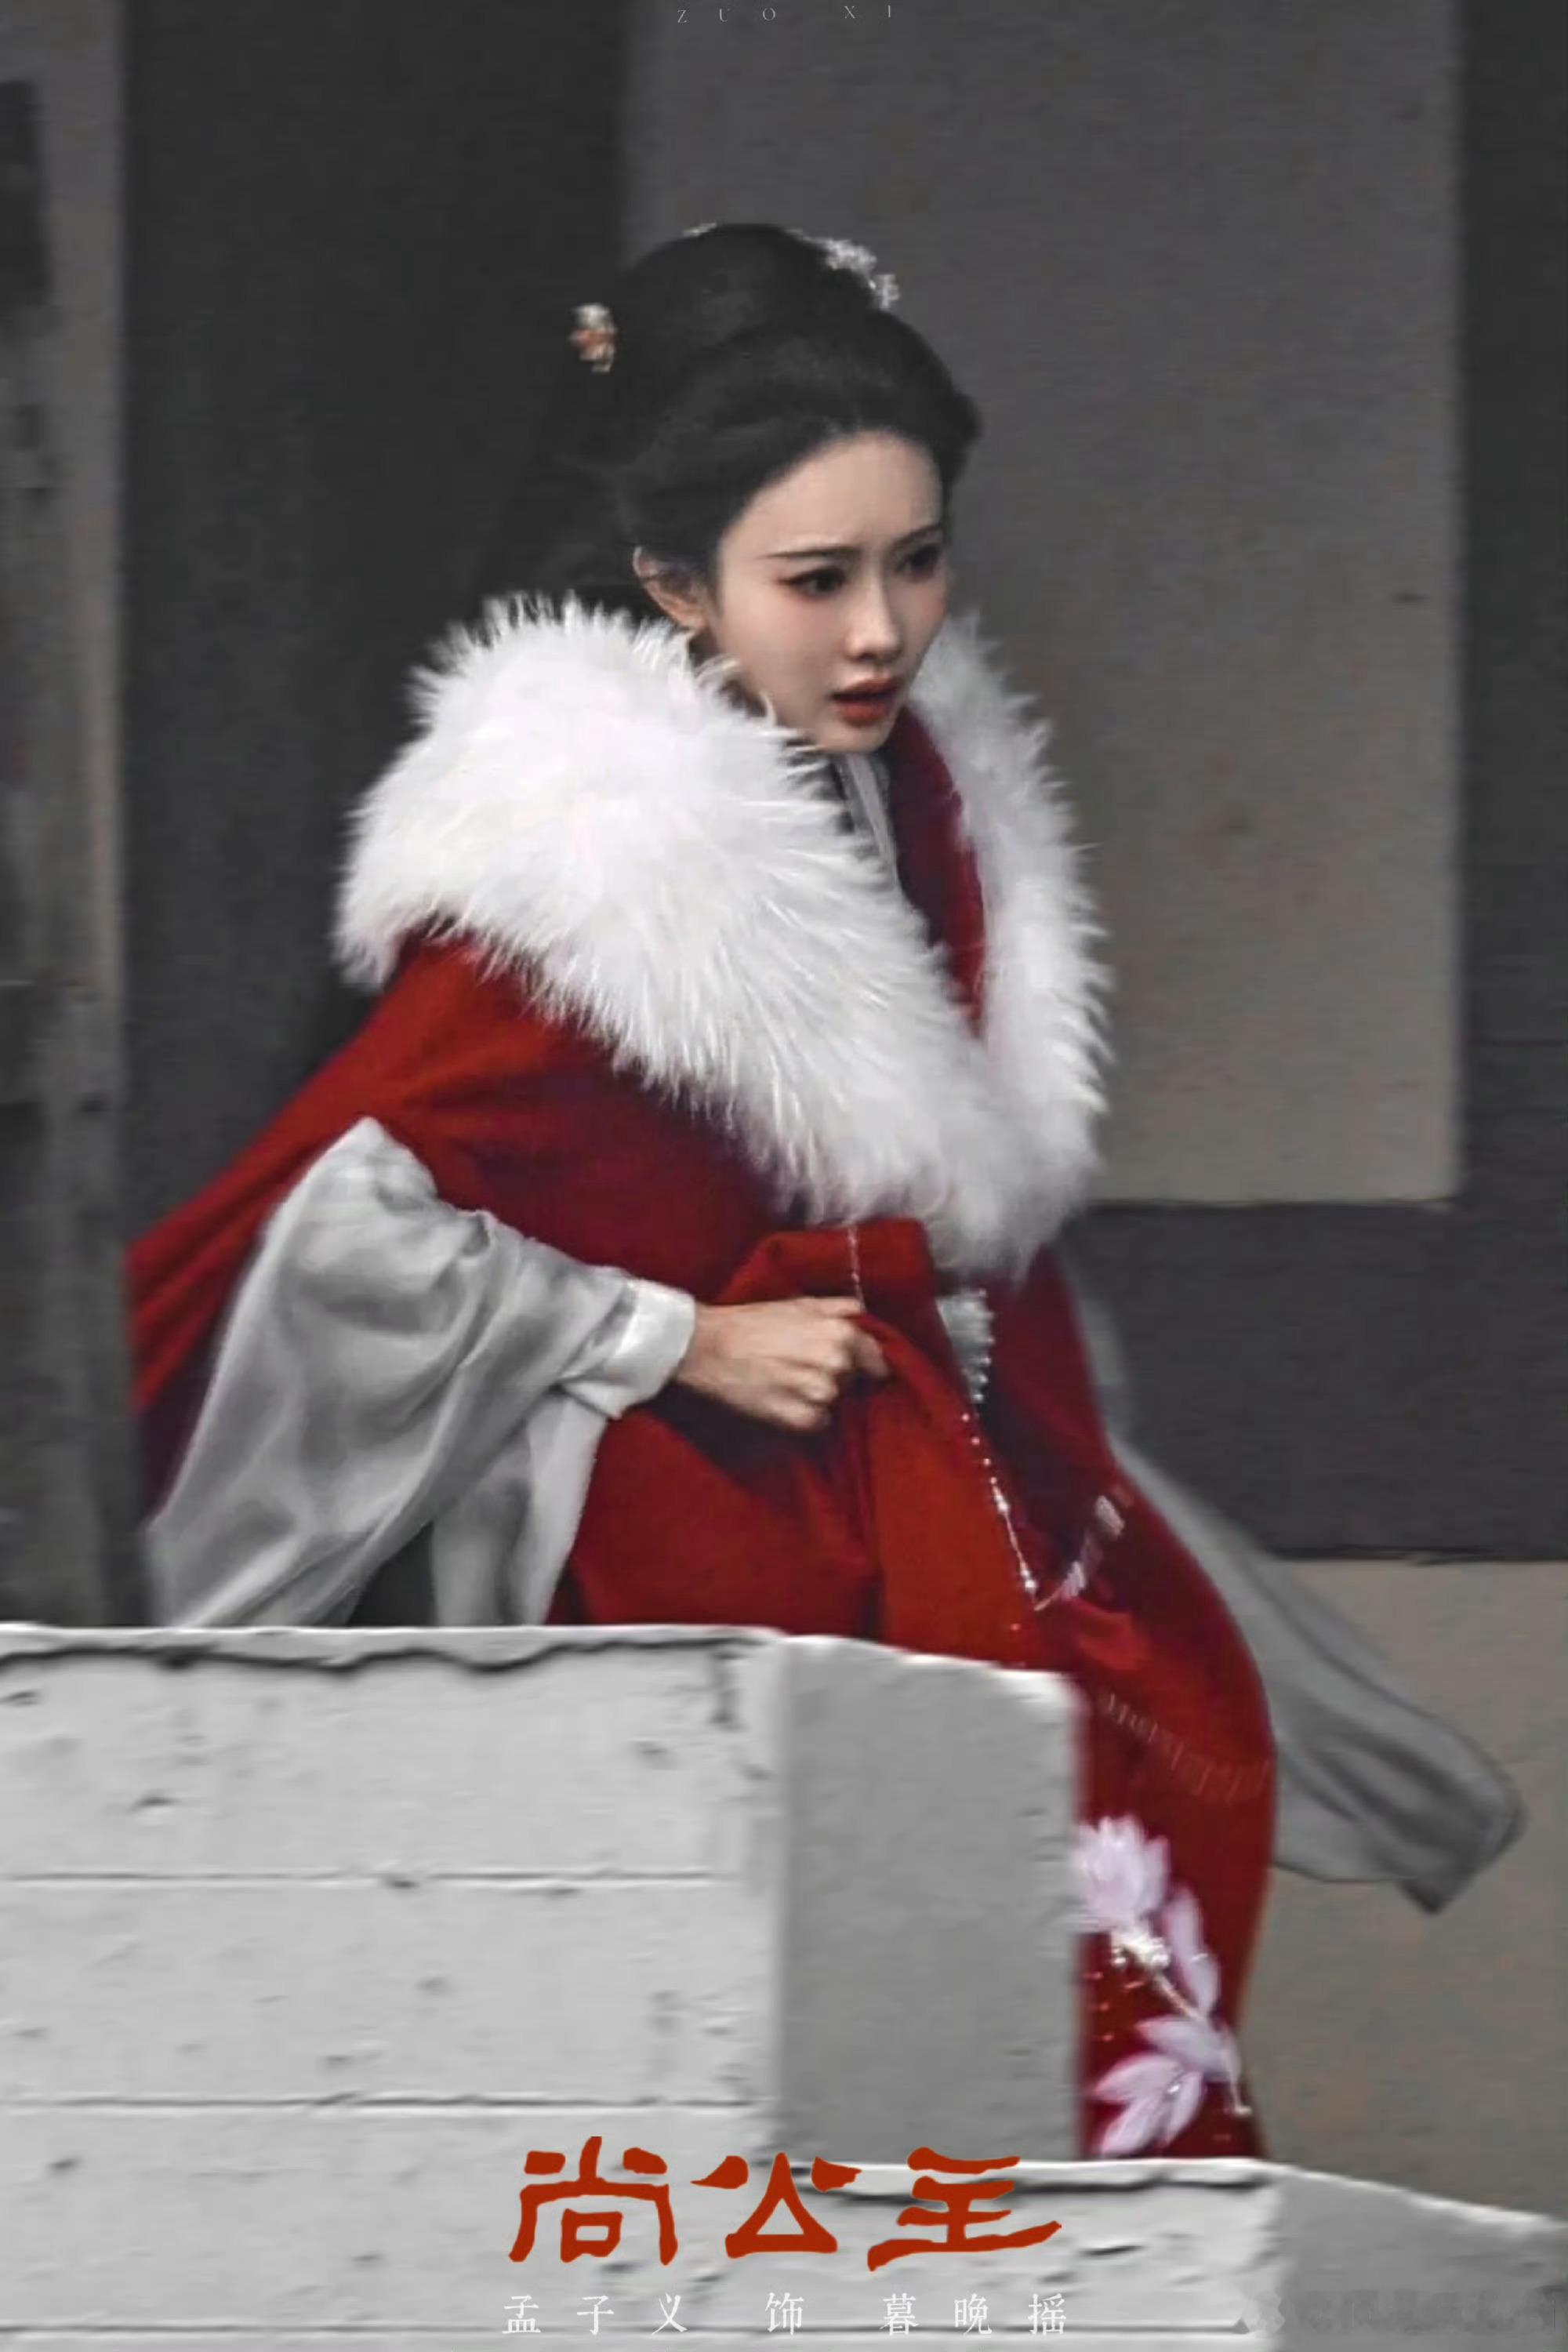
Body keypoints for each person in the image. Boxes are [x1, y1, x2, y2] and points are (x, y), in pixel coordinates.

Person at [126, 223, 1522, 2161]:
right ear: (668, 579)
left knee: (1084, 1865)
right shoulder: (581, 865)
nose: (880, 632)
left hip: (899, 1474)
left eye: (914, 563)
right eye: (815, 580)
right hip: (660, 1531)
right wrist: (669, 1336)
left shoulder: (915, 793)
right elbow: (355, 1238)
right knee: (780, 2029)